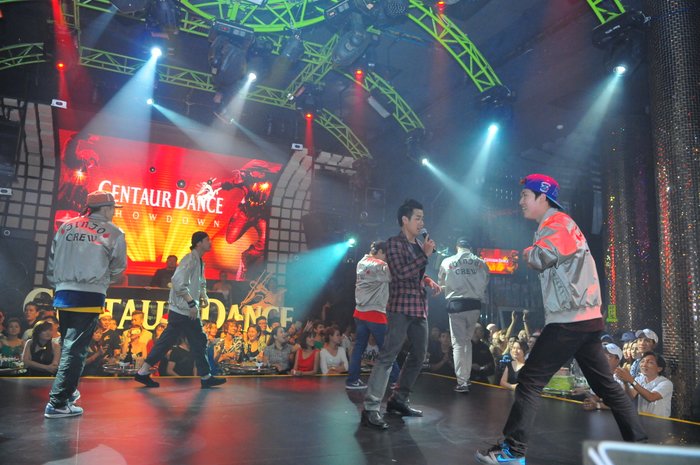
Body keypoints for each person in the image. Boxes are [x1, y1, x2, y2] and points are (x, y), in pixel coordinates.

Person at [475, 174, 646, 464]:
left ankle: (512, 452)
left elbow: (541, 257)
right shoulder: (559, 224)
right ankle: (640, 446)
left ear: (542, 197)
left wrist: (527, 252)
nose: (520, 201)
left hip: (570, 319)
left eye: (525, 196)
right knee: (606, 386)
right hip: (585, 318)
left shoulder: (556, 223)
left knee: (529, 381)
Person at [44, 190, 127, 418]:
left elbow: (52, 260)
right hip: (89, 295)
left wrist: (59, 283)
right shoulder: (114, 232)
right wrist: (103, 281)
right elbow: (119, 269)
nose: (113, 213)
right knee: (76, 349)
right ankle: (58, 402)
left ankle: (68, 391)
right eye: (113, 209)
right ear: (107, 208)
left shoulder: (66, 226)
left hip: (63, 293)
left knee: (69, 345)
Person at [361, 198, 441, 430]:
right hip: (400, 307)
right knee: (388, 356)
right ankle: (371, 408)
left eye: (423, 219)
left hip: (419, 307)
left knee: (419, 355)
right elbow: (400, 273)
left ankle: (398, 400)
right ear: (405, 220)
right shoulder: (393, 243)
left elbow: (415, 273)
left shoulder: (418, 246)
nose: (421, 223)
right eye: (418, 218)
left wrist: (427, 279)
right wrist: (425, 255)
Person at [133, 231, 226, 389]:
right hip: (182, 310)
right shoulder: (189, 260)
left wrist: (203, 295)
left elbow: (201, 282)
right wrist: (191, 303)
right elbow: (177, 282)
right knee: (181, 341)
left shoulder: (199, 261)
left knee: (193, 341)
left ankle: (205, 376)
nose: (210, 242)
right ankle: (205, 377)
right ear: (198, 243)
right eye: (207, 240)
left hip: (185, 311)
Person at [438, 237, 490, 393]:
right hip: (474, 305)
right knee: (467, 342)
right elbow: (486, 280)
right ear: (470, 248)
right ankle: (466, 378)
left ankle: (462, 382)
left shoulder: (448, 261)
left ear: (457, 247)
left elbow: (441, 282)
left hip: (457, 305)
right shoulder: (481, 262)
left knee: (459, 344)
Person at [346, 241, 399, 390]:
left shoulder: (361, 263)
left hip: (359, 312)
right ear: (380, 251)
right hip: (374, 313)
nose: (387, 257)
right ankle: (396, 380)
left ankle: (352, 381)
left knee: (359, 348)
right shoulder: (379, 265)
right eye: (386, 254)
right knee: (387, 349)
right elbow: (394, 274)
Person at [616, 352, 673, 418]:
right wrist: (625, 382)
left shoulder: (666, 383)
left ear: (659, 369)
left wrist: (631, 380)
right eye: (642, 361)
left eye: (650, 362)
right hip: (642, 419)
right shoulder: (639, 379)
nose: (644, 365)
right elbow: (630, 396)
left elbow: (651, 397)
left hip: (660, 421)